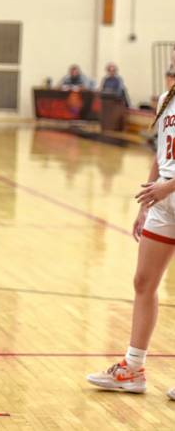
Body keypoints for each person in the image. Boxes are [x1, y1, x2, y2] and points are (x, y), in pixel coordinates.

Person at [86, 69, 175, 398]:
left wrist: (166, 187)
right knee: (143, 281)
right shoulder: (166, 100)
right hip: (162, 201)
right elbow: (161, 154)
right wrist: (145, 205)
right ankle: (133, 369)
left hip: (168, 191)